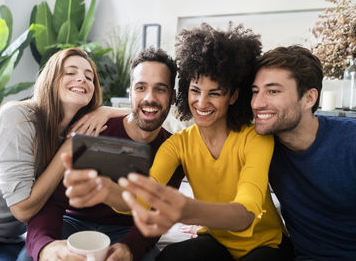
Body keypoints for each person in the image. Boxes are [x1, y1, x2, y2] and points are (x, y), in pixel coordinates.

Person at [93, 24, 293, 260]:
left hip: (265, 245)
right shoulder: (178, 144)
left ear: (233, 96)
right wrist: (103, 188)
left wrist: (188, 210)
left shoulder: (255, 139)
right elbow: (142, 197)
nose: (201, 102)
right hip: (217, 241)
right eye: (195, 90)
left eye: (215, 93)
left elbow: (245, 214)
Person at [0, 48, 127, 261]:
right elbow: (22, 210)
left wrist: (104, 110)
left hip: (9, 240)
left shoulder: (78, 129)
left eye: (89, 77)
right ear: (51, 78)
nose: (82, 78)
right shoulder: (18, 117)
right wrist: (67, 149)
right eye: (70, 72)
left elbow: (143, 112)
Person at [26, 47, 185, 261]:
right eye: (141, 88)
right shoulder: (95, 129)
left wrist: (129, 249)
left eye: (160, 89)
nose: (149, 97)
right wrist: (46, 247)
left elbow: (156, 217)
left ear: (172, 96)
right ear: (131, 93)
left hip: (129, 232)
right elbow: (52, 203)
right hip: (72, 223)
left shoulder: (174, 150)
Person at [251, 45, 356, 261]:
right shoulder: (260, 146)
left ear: (309, 98)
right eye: (255, 91)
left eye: (273, 91)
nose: (257, 103)